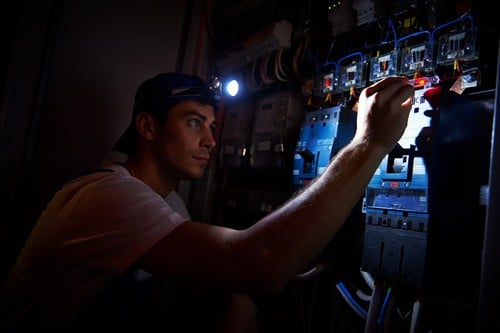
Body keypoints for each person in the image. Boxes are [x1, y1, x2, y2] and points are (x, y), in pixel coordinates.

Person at [0, 72, 414, 332]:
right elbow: (262, 261)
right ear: (147, 126)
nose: (211, 142)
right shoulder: (107, 196)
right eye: (194, 122)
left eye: (212, 126)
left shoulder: (171, 207)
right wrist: (370, 142)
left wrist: (240, 290)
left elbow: (240, 266)